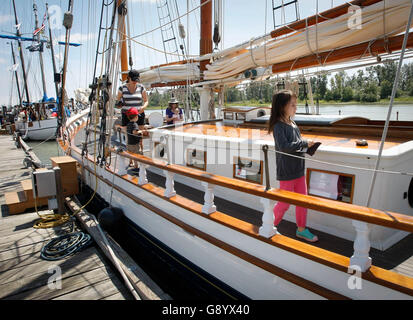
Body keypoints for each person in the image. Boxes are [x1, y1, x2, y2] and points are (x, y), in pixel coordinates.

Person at [267, 90, 318, 243]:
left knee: (303, 201)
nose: (296, 108)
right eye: (293, 105)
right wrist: (303, 143)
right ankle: (269, 225)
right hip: (287, 172)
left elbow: (296, 146)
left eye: (296, 105)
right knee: (284, 203)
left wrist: (309, 148)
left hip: (299, 171)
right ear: (282, 106)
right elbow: (284, 146)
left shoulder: (293, 123)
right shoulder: (278, 126)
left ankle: (301, 229)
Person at [126, 107, 142, 174]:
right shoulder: (135, 124)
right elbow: (134, 132)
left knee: (131, 154)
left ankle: (131, 164)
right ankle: (136, 167)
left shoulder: (128, 124)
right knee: (136, 155)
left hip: (129, 143)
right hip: (135, 143)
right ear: (135, 117)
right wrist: (141, 131)